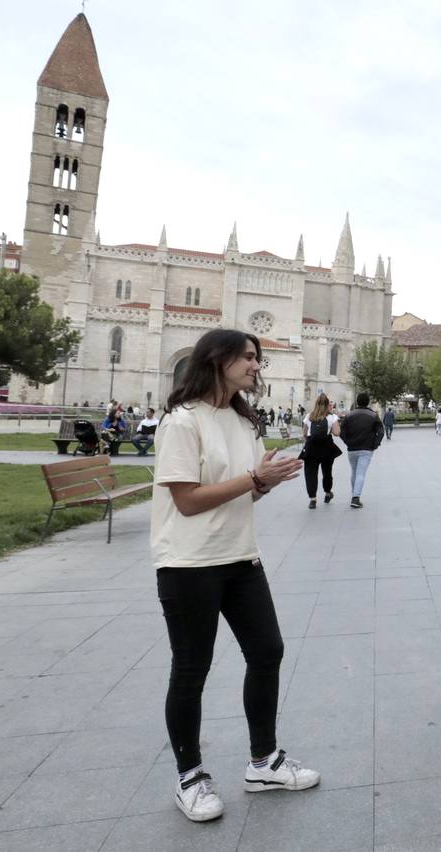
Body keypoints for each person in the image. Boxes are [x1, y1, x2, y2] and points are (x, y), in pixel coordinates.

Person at [150, 328, 316, 823]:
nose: (256, 365)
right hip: (188, 563)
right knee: (191, 669)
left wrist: (262, 482)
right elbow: (187, 499)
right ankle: (191, 777)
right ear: (216, 359)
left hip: (240, 557)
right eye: (248, 357)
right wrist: (253, 480)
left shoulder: (244, 423)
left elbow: (243, 492)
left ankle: (264, 761)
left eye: (257, 358)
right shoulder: (182, 422)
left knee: (267, 651)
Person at [339, 393, 383, 509]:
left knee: (354, 472)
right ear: (368, 402)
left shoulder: (348, 416)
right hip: (366, 448)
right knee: (360, 473)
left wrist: (347, 441)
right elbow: (381, 432)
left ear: (357, 401)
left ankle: (355, 494)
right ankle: (355, 497)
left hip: (352, 448)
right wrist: (375, 444)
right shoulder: (374, 415)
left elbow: (341, 431)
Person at [300, 393, 341, 509]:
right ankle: (328, 492)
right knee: (327, 472)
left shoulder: (309, 416)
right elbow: (337, 433)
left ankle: (312, 499)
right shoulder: (332, 417)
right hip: (326, 448)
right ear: (328, 405)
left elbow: (304, 433)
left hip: (311, 448)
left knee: (310, 473)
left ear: (316, 404)